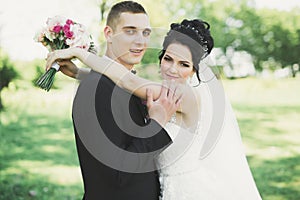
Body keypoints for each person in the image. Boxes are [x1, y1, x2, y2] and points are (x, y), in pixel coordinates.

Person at [47, 18, 262, 200]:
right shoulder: (160, 91)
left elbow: (128, 83)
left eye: (184, 64)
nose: (172, 69)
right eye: (168, 59)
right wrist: (79, 74)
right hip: (167, 190)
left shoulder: (185, 96)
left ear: (195, 71)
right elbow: (126, 88)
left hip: (190, 190)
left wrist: (81, 54)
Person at [47, 1, 185, 200]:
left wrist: (80, 72)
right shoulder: (96, 89)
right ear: (109, 34)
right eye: (130, 31)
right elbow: (117, 174)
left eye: (145, 33)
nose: (141, 41)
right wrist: (155, 124)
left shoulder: (122, 85)